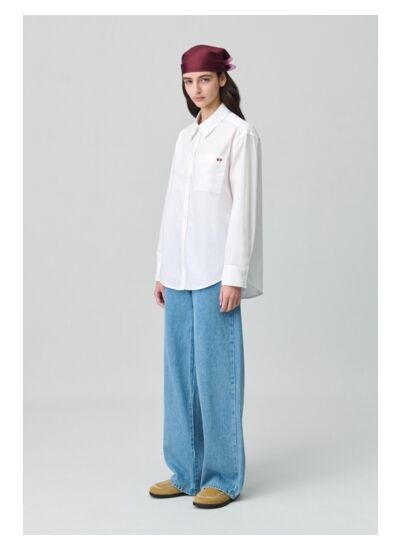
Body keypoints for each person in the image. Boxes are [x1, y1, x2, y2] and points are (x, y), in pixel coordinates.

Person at [149, 44, 263, 509]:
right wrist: (161, 269)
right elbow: (172, 206)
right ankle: (185, 470)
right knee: (179, 374)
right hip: (179, 271)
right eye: (188, 81)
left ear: (222, 79)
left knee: (217, 374)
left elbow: (244, 211)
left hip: (216, 271)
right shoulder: (186, 138)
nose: (196, 89)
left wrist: (234, 275)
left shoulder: (239, 134)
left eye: (204, 79)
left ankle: (223, 476)